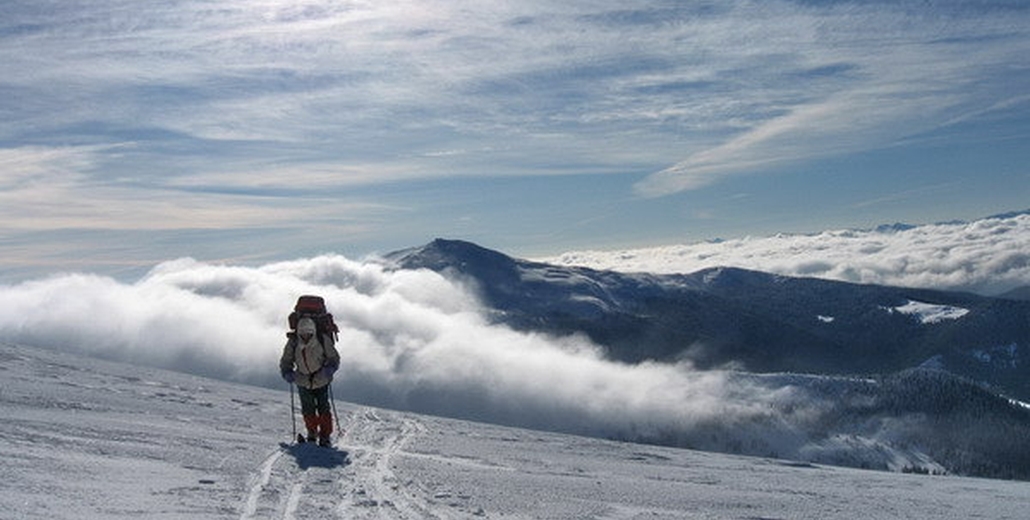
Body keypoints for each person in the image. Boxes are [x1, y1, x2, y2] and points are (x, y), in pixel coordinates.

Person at [280, 317, 340, 447]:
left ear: (313, 331)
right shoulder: (293, 342)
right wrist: (287, 372)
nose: (305, 335)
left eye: (308, 332)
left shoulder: (322, 339)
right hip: (303, 379)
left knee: (323, 407)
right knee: (308, 408)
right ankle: (312, 432)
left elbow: (334, 357)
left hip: (321, 379)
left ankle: (324, 435)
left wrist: (330, 368)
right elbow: (286, 360)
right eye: (303, 332)